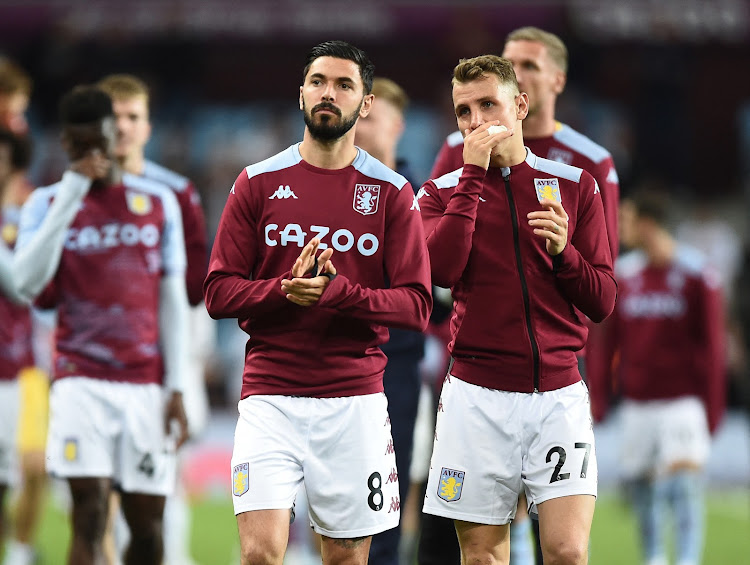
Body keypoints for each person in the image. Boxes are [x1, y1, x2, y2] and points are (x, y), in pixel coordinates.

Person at [203, 40, 432, 565]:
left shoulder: (393, 192)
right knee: (261, 554)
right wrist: (284, 289)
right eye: (319, 82)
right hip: (270, 397)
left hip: (354, 402)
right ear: (301, 93)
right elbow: (217, 291)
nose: (329, 93)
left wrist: (338, 294)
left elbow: (417, 307)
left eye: (344, 84)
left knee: (347, 559)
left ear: (366, 104)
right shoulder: (256, 183)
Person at [425, 27, 621, 564]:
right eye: (464, 111)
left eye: (489, 104)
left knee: (566, 552)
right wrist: (471, 175)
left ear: (521, 103)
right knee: (484, 555)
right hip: (475, 396)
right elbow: (440, 270)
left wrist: (564, 254)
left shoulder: (578, 184)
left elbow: (603, 299)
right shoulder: (439, 191)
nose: (477, 120)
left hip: (558, 393)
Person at [13, 85, 190, 565]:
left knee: (148, 526)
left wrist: (180, 386)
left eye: (98, 139)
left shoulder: (157, 203)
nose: (90, 152)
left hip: (145, 385)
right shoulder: (45, 204)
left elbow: (172, 302)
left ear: (116, 137)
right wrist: (70, 194)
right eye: (78, 143)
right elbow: (25, 284)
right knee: (88, 516)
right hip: (78, 381)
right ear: (65, 146)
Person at [96, 73, 210, 565]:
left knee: (159, 486)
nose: (121, 127)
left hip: (158, 368)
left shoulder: (176, 195)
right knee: (96, 494)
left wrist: (183, 372)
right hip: (92, 366)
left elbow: (194, 292)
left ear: (147, 126)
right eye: (112, 117)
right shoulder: (71, 194)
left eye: (132, 117)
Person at [587, 190, 726, 565]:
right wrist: (600, 399)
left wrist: (714, 408)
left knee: (683, 488)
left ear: (648, 223)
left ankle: (686, 560)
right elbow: (605, 345)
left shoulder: (698, 274)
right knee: (643, 492)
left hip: (682, 402)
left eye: (629, 219)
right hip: (637, 404)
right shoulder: (626, 275)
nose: (624, 226)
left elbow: (713, 347)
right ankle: (653, 558)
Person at [353, 77, 425, 565]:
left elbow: (440, 299)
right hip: (334, 360)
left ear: (397, 124)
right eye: (356, 117)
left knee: (389, 488)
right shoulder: (333, 191)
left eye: (371, 118)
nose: (358, 129)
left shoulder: (422, 198)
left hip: (397, 364)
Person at [0, 128, 34, 562]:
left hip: (8, 367)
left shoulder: (28, 215)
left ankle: (17, 549)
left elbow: (25, 288)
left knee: (9, 474)